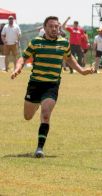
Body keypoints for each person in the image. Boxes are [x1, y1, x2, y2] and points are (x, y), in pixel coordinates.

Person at [10, 16, 94, 158]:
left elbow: (69, 58)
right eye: (51, 26)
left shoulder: (63, 43)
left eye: (56, 26)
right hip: (35, 84)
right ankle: (36, 103)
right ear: (45, 28)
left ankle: (39, 148)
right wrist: (18, 67)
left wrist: (81, 70)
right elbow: (23, 57)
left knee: (46, 114)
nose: (54, 29)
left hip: (52, 85)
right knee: (28, 116)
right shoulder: (36, 42)